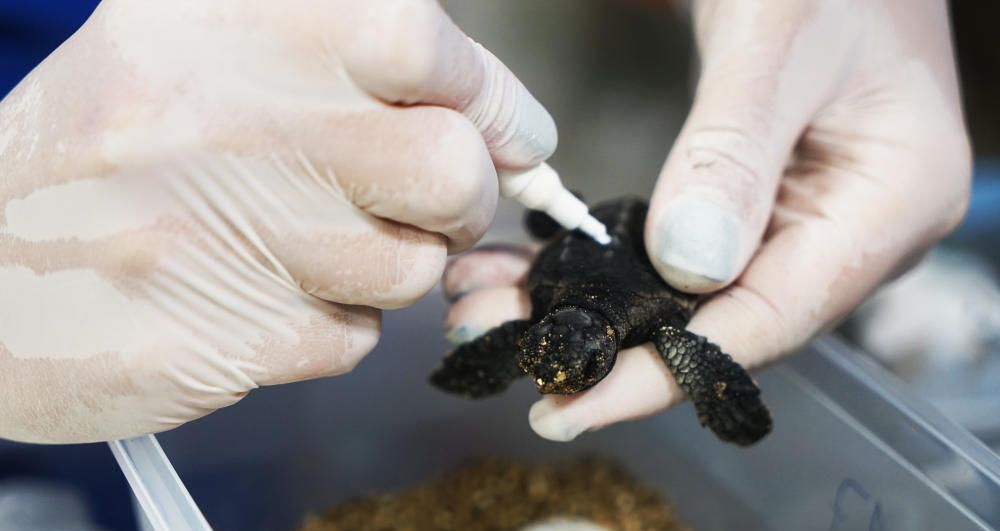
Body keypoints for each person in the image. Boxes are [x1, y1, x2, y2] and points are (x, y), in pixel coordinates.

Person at [0, 0, 970, 444]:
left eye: (545, 356)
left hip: (606, 219)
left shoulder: (587, 300)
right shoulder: (627, 316)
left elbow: (575, 255)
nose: (551, 363)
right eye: (556, 358)